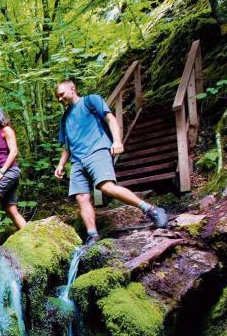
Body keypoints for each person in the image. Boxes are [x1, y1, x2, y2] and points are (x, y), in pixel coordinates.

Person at [53, 79, 168, 246]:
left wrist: (117, 141)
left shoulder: (90, 101)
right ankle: (92, 235)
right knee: (81, 197)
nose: (59, 99)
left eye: (61, 94)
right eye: (57, 97)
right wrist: (61, 165)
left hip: (97, 150)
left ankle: (151, 210)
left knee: (106, 187)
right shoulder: (64, 119)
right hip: (77, 160)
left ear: (72, 88)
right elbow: (67, 146)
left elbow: (110, 119)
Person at [0, 106, 27, 247]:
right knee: (10, 209)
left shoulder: (6, 130)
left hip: (9, 171)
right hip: (4, 172)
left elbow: (13, 152)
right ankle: (30, 235)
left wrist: (1, 172)